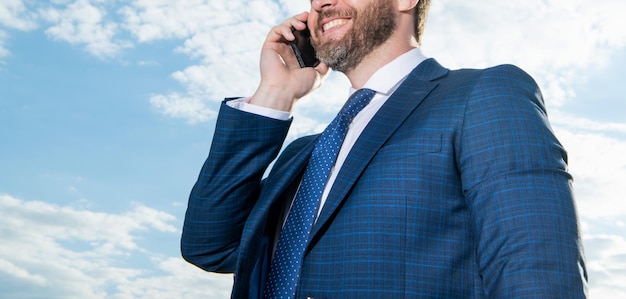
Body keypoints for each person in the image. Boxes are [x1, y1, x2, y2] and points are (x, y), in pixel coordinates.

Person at [181, 0, 588, 298]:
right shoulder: (303, 155)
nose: (321, 3)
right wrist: (274, 93)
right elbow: (210, 246)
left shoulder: (482, 95)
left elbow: (537, 274)